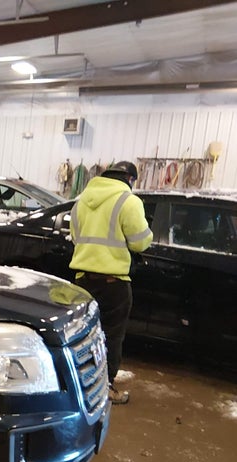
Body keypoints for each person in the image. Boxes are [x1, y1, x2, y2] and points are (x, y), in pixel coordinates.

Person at [68, 161, 152, 405]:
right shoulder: (129, 201)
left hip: (82, 282)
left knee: (81, 337)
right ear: (129, 179)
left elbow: (75, 236)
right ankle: (105, 388)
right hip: (113, 283)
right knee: (111, 338)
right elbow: (140, 242)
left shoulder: (81, 201)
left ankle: (78, 386)